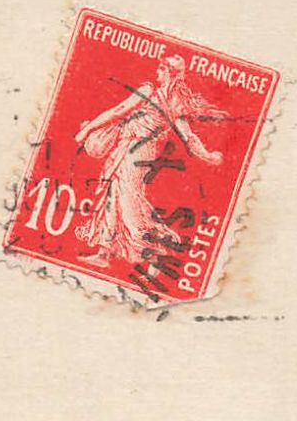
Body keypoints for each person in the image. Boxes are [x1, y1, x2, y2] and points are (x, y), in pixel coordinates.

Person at [73, 54, 225, 269]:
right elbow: (188, 136)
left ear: (168, 73)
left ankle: (150, 249)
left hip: (134, 151)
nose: (157, 73)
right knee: (114, 194)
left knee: (126, 199)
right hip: (139, 151)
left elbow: (117, 111)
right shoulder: (173, 104)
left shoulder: (149, 92)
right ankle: (105, 251)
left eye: (161, 69)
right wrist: (207, 155)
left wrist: (88, 129)